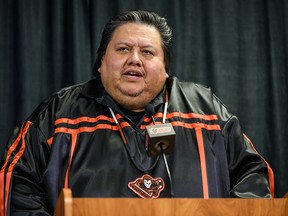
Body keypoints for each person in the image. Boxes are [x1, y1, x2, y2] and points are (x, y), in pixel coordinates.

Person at [0, 10, 274, 215]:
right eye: (123, 49)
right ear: (101, 61)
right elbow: (15, 183)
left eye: (147, 52)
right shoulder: (59, 114)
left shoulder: (207, 111)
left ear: (166, 67)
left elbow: (253, 175)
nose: (134, 59)